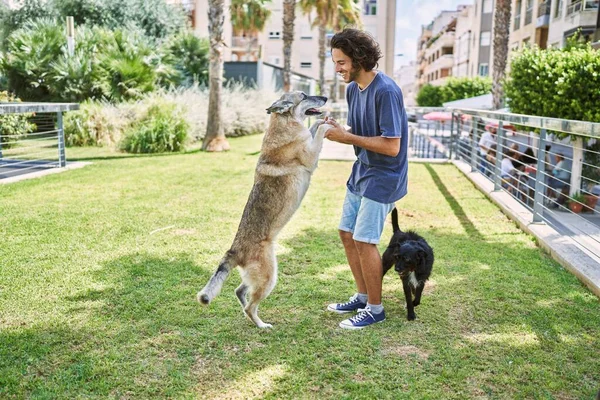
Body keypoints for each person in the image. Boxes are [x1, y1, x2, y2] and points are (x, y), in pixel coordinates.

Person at [322, 28, 408, 329]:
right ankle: (362, 296)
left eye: (342, 62)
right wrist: (340, 129)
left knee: (364, 239)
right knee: (346, 233)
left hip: (385, 175)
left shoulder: (387, 91)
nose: (337, 69)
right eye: (335, 62)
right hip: (363, 170)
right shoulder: (351, 91)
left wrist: (346, 138)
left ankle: (375, 308)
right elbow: (358, 132)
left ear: (359, 59)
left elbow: (392, 145)